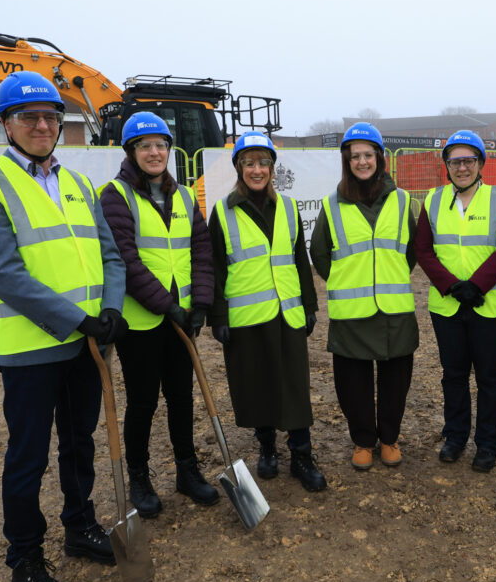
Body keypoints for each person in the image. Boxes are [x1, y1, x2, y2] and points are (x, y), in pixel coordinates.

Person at [0, 71, 129, 582]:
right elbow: (5, 274)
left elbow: (110, 256)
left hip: (87, 345)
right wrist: (79, 320)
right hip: (33, 349)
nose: (41, 125)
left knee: (79, 443)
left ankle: (79, 526)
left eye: (51, 117)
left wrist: (111, 311)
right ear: (6, 123)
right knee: (26, 457)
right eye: (28, 117)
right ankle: (25, 561)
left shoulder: (78, 185)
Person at [99, 111, 220, 519]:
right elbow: (125, 260)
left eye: (160, 145)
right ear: (131, 152)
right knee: (143, 401)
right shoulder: (116, 195)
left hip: (182, 317)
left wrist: (199, 304)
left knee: (182, 397)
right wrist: (165, 305)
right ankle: (139, 477)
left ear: (170, 149)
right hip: (142, 322)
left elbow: (201, 251)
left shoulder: (185, 196)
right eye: (145, 146)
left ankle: (187, 471)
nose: (154, 152)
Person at [207, 132, 326, 491]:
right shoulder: (223, 212)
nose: (257, 170)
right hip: (247, 318)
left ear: (273, 169)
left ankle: (301, 455)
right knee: (257, 385)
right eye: (249, 163)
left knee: (294, 386)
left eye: (263, 163)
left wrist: (309, 305)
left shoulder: (288, 208)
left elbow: (299, 262)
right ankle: (267, 448)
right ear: (238, 167)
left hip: (287, 313)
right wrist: (219, 316)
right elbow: (215, 268)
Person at [311, 122, 418, 469]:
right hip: (351, 311)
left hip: (394, 307)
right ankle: (362, 440)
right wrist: (346, 280)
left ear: (379, 158)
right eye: (354, 156)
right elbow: (321, 256)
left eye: (367, 155)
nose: (361, 162)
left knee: (395, 380)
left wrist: (389, 275)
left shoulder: (402, 201)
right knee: (352, 383)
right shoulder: (332, 205)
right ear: (347, 161)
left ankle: (388, 438)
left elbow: (413, 250)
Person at [415, 130, 496, 472]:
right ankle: (456, 436)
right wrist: (451, 286)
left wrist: (476, 286)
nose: (462, 168)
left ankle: (488, 443)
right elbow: (424, 250)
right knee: (454, 375)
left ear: (480, 164)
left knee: (490, 377)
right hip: (447, 307)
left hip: (488, 306)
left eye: (468, 161)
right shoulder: (432, 200)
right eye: (455, 161)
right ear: (446, 165)